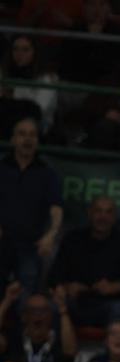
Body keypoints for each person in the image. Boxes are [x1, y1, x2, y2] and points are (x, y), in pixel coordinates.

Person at [48, 195, 120, 327]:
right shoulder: (72, 239)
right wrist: (66, 287)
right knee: (50, 308)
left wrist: (115, 287)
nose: (103, 217)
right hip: (75, 303)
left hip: (109, 304)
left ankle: (116, 348)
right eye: (98, 211)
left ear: (114, 217)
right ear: (89, 213)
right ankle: (49, 348)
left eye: (109, 212)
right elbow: (52, 277)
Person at [0, 117, 63, 295]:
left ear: (37, 141)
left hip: (30, 246)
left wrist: (51, 234)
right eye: (22, 134)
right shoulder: (1, 167)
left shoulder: (47, 172)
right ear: (13, 139)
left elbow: (56, 208)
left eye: (32, 135)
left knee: (27, 302)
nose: (27, 139)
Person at [4, 289, 77, 362]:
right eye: (32, 310)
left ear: (50, 315)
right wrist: (7, 301)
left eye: (43, 310)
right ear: (24, 316)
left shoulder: (59, 339)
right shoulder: (15, 339)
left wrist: (63, 310)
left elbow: (70, 350)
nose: (38, 314)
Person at [1, 35, 58, 132]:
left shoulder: (47, 78)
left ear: (35, 52)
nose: (19, 54)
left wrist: (10, 98)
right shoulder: (3, 73)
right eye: (15, 49)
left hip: (37, 127)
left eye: (25, 50)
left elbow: (38, 109)